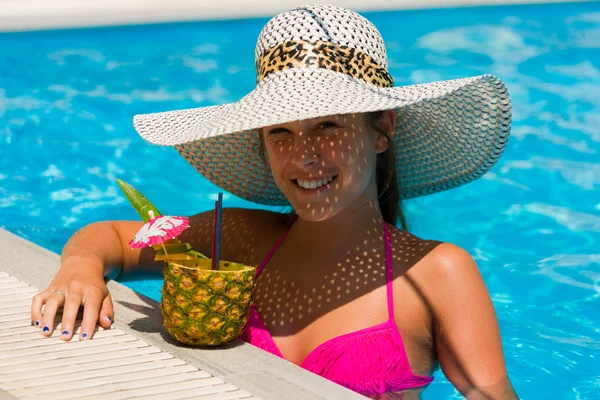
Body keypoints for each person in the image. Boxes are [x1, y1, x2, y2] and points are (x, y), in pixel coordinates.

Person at [31, 4, 518, 399]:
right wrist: (78, 269)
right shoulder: (244, 239)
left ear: (382, 129)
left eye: (328, 125)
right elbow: (113, 237)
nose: (304, 156)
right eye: (281, 132)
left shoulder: (436, 274)